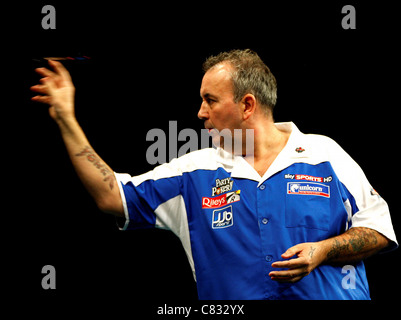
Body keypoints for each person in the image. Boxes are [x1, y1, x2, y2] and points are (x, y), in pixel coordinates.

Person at [31, 49, 397, 300]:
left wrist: (323, 250)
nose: (200, 113)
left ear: (247, 105)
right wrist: (66, 117)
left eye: (210, 100)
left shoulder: (325, 154)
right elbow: (113, 195)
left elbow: (379, 231)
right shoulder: (194, 171)